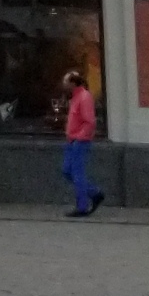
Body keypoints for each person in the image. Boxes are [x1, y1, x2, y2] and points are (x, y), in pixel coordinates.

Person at [59, 69, 105, 217]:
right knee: (67, 171)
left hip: (79, 141)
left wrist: (79, 137)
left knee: (77, 174)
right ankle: (94, 193)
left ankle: (82, 206)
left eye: (66, 82)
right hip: (73, 140)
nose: (64, 85)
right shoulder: (76, 97)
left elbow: (89, 121)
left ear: (73, 83)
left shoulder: (84, 97)